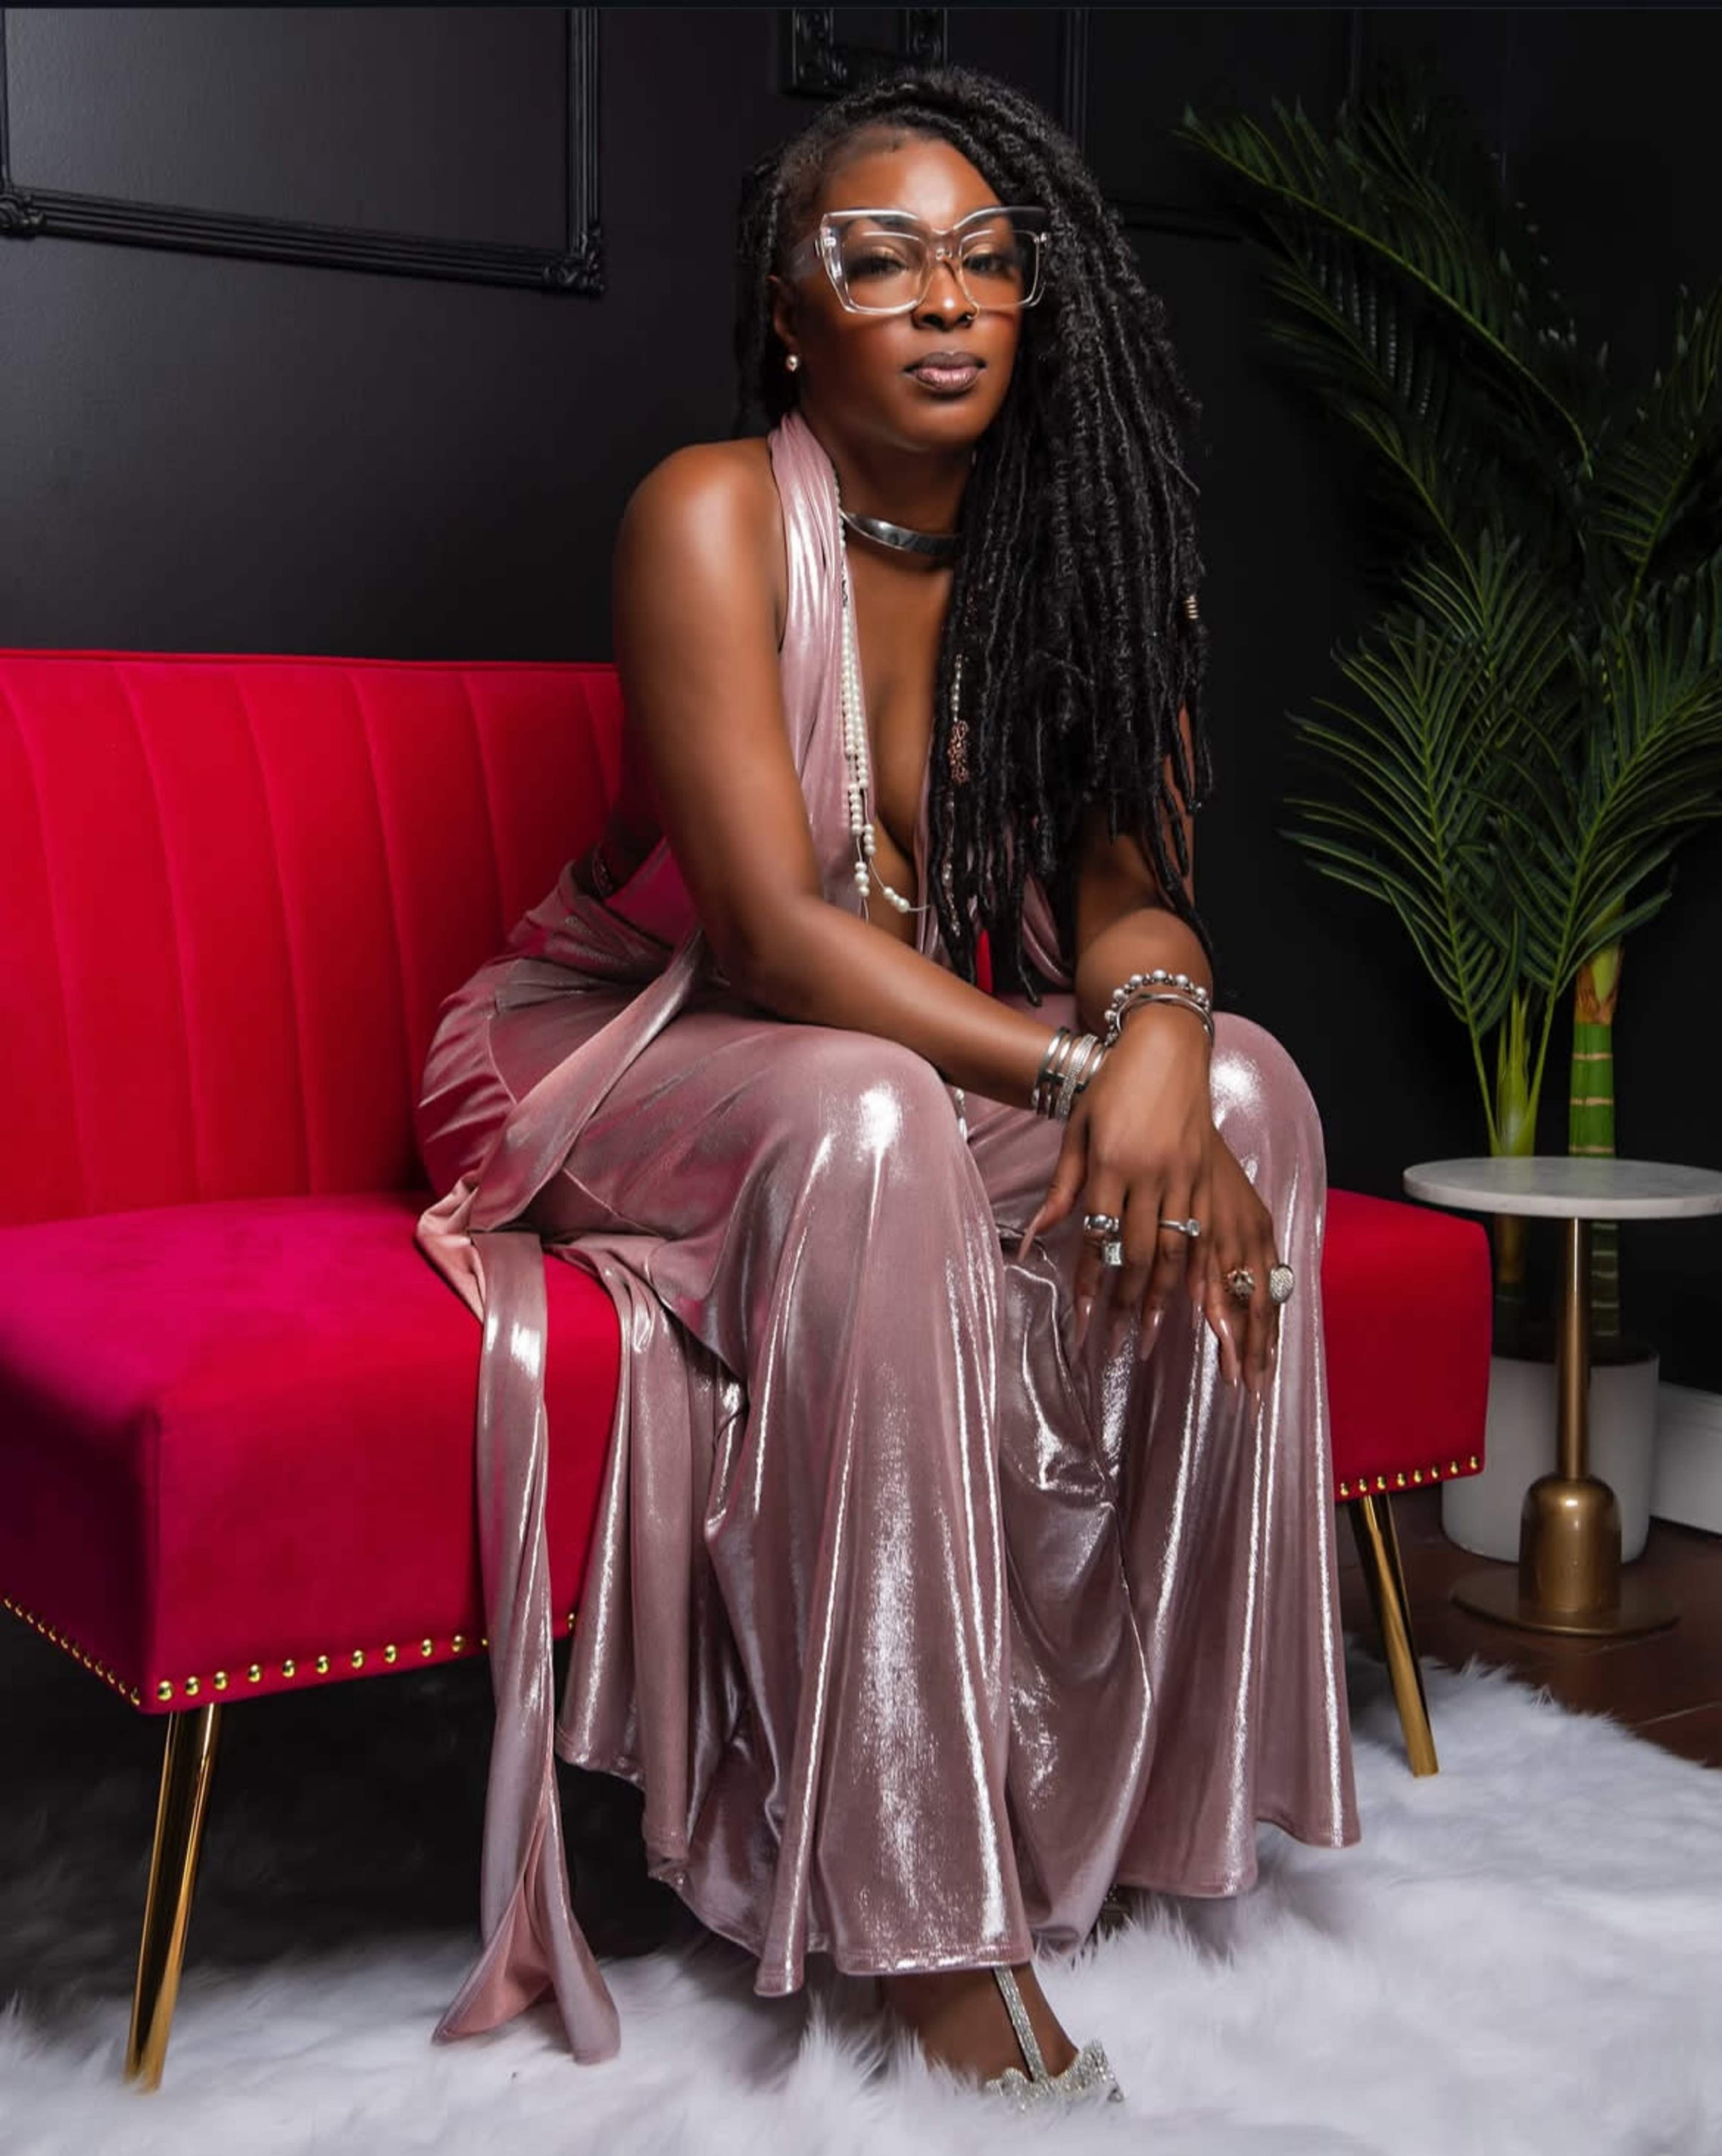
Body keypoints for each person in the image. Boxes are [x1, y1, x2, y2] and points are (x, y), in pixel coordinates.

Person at [412, 61, 1360, 2107]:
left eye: (986, 260)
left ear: (1041, 306)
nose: (943, 300)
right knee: (872, 1110)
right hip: (618, 1049)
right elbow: (757, 927)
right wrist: (1093, 1058)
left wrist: (1171, 1039)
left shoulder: (1096, 556)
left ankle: (1122, 1804)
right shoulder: (713, 513)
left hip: (887, 1066)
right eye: (883, 258)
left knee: (1262, 1103)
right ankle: (917, 1911)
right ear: (790, 305)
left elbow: (1133, 896)